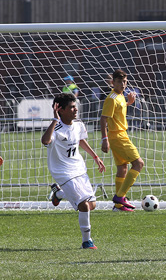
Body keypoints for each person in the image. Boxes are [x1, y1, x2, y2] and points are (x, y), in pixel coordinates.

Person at [41, 93, 105, 249]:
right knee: (83, 205)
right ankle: (87, 241)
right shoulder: (56, 128)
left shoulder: (78, 124)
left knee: (92, 205)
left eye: (75, 106)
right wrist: (54, 120)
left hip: (79, 168)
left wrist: (95, 156)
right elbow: (45, 141)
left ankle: (58, 193)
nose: (75, 109)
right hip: (63, 171)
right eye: (71, 107)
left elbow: (80, 140)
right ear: (60, 110)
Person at [100, 69, 145, 212]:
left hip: (120, 135)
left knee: (122, 169)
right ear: (113, 82)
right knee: (138, 163)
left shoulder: (120, 97)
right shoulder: (111, 98)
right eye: (119, 82)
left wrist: (129, 103)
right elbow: (103, 118)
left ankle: (119, 206)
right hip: (118, 136)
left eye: (125, 82)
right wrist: (104, 139)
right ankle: (120, 197)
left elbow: (118, 111)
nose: (123, 84)